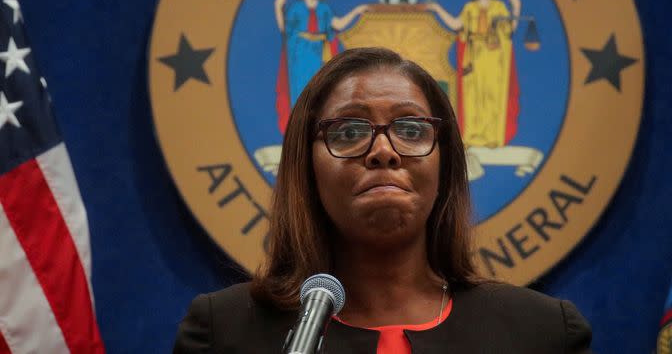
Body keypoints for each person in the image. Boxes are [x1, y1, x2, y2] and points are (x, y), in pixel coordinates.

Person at [174, 47, 593, 353]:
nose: (384, 150)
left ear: (446, 166)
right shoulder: (224, 332)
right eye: (349, 131)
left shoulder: (542, 334)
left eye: (411, 130)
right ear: (307, 168)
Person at [427, 0, 521, 148]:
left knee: (492, 95)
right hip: (474, 57)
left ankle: (491, 136)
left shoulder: (499, 7)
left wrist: (516, 7)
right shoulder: (470, 8)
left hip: (493, 57)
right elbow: (456, 25)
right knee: (472, 96)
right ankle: (471, 136)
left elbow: (509, 30)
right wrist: (437, 8)